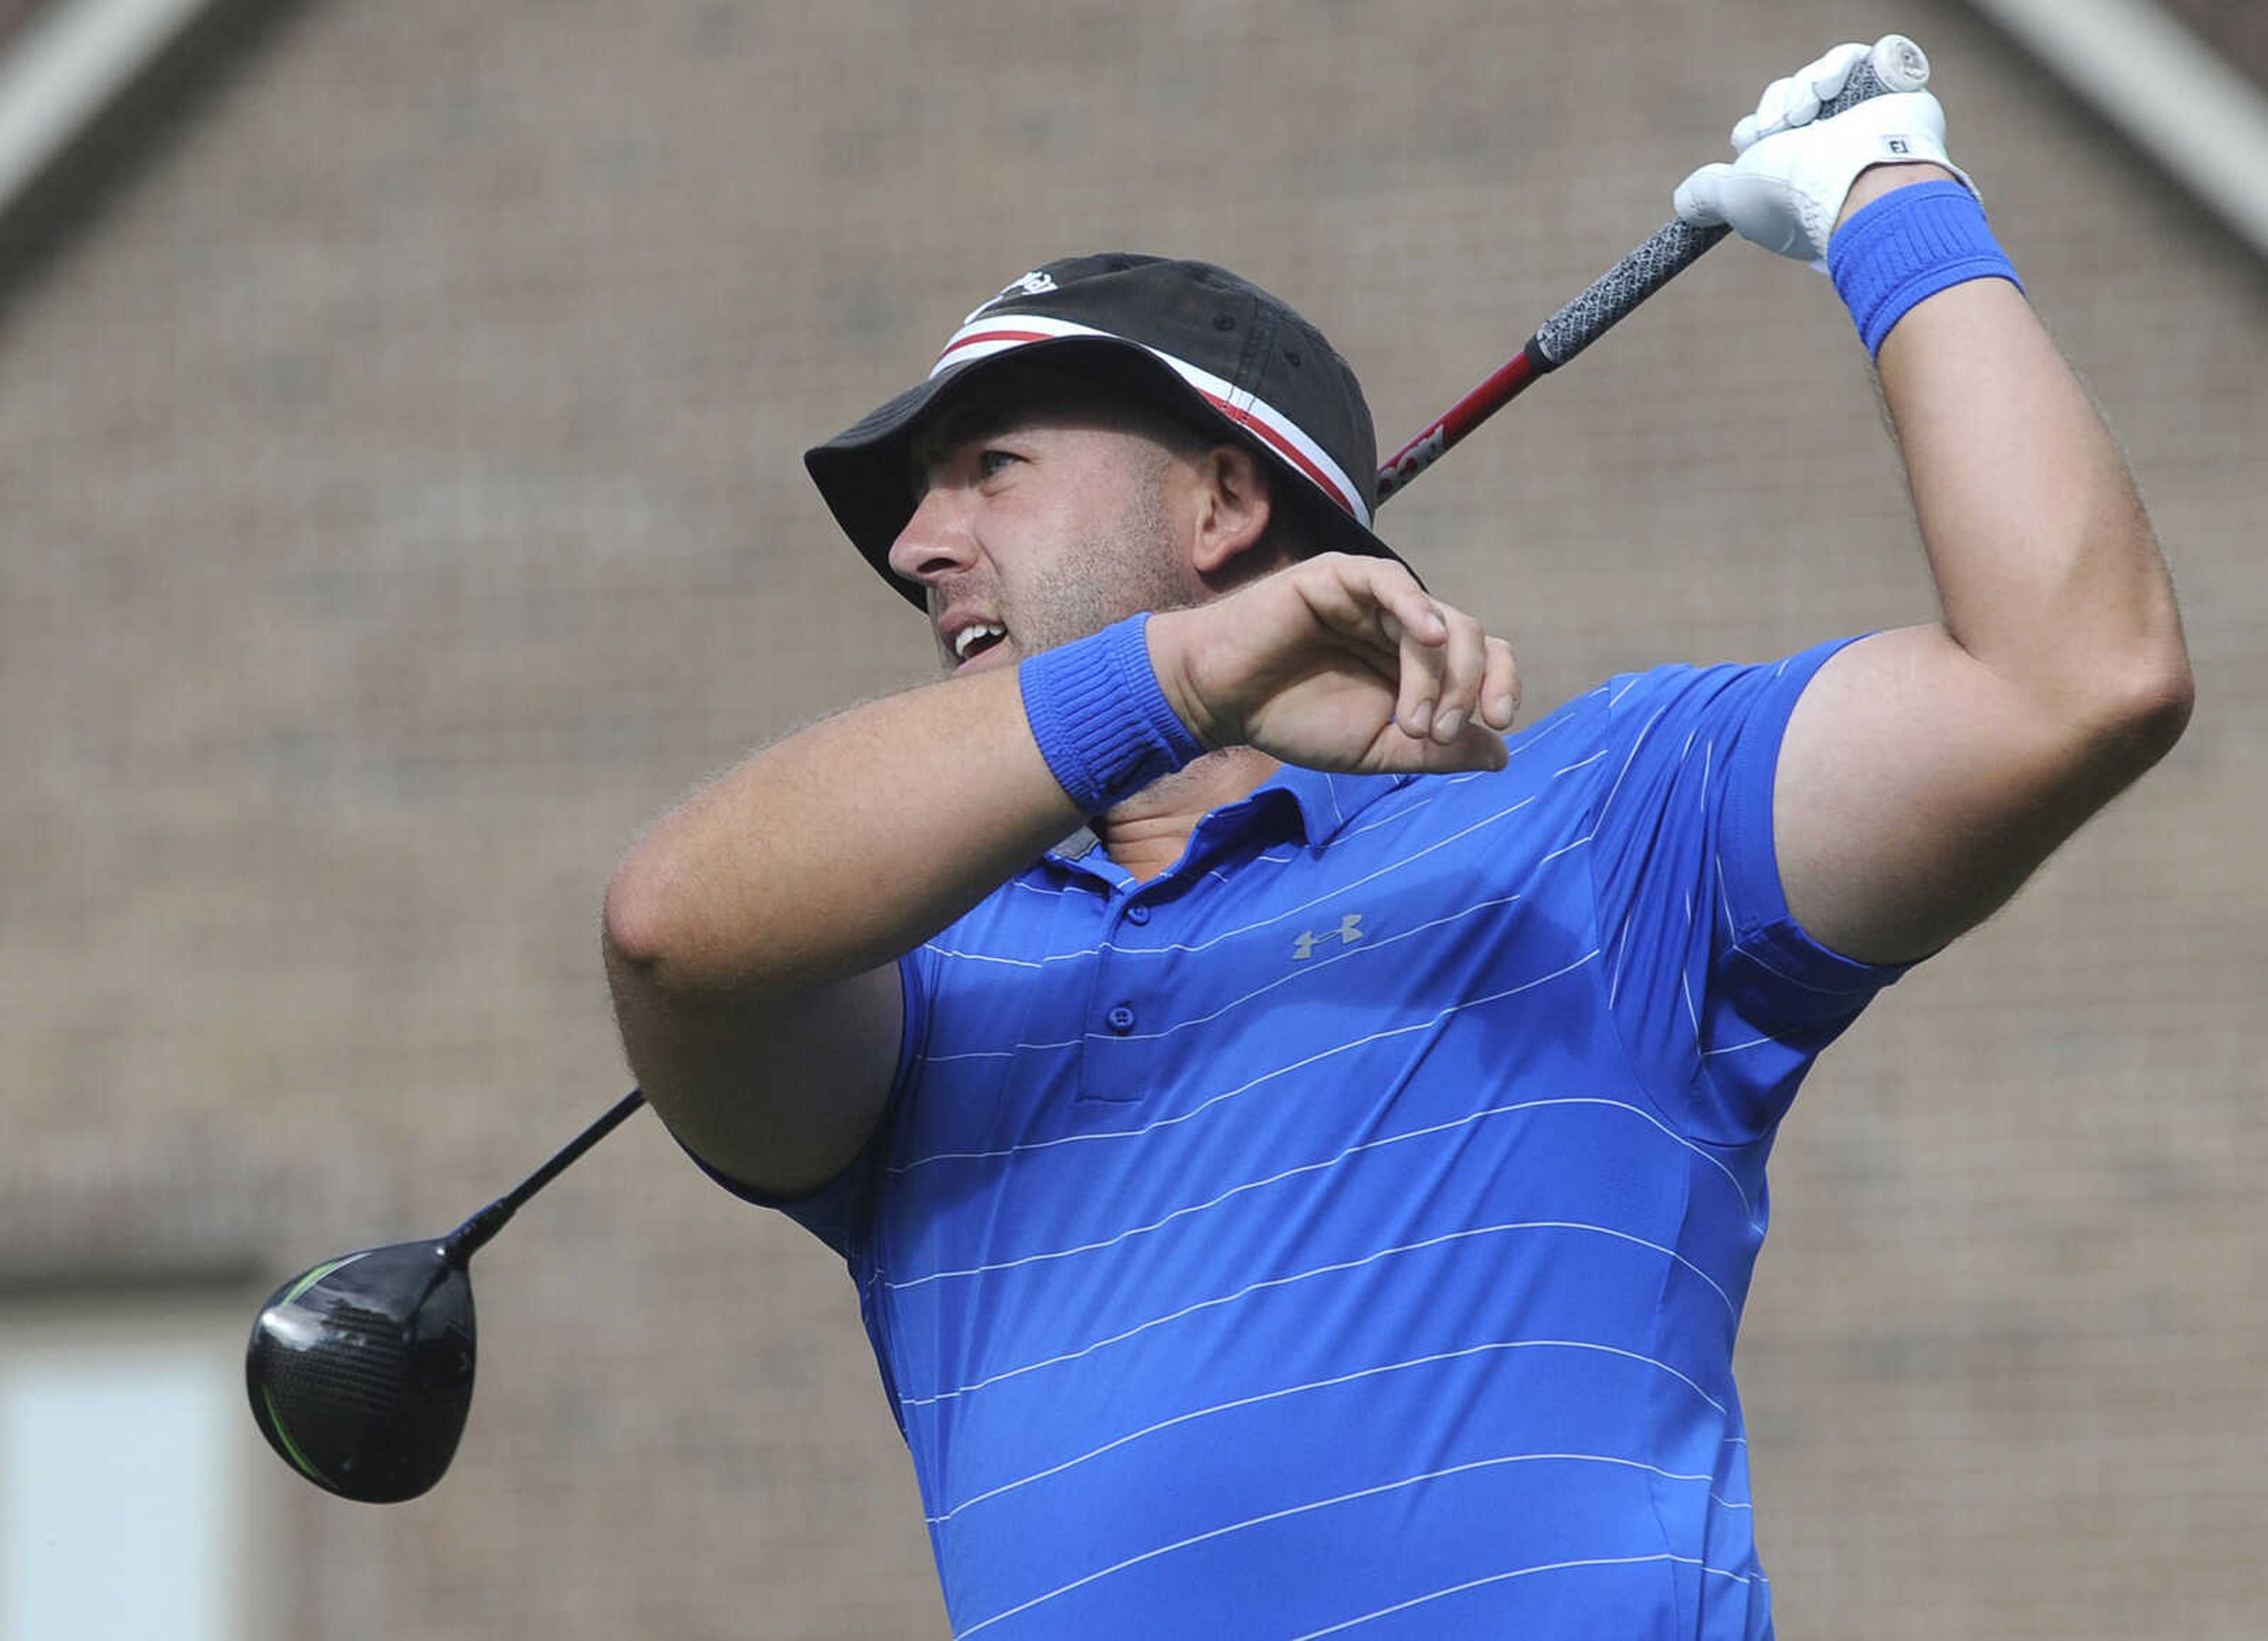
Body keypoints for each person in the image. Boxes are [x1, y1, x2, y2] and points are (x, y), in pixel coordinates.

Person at [602, 41, 2191, 1640]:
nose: (915, 545)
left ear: (1224, 505)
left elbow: (2079, 678)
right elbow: (673, 925)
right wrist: (1188, 669)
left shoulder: (1598, 823)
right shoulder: (926, 988)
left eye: (989, 471)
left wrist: (1888, 198)